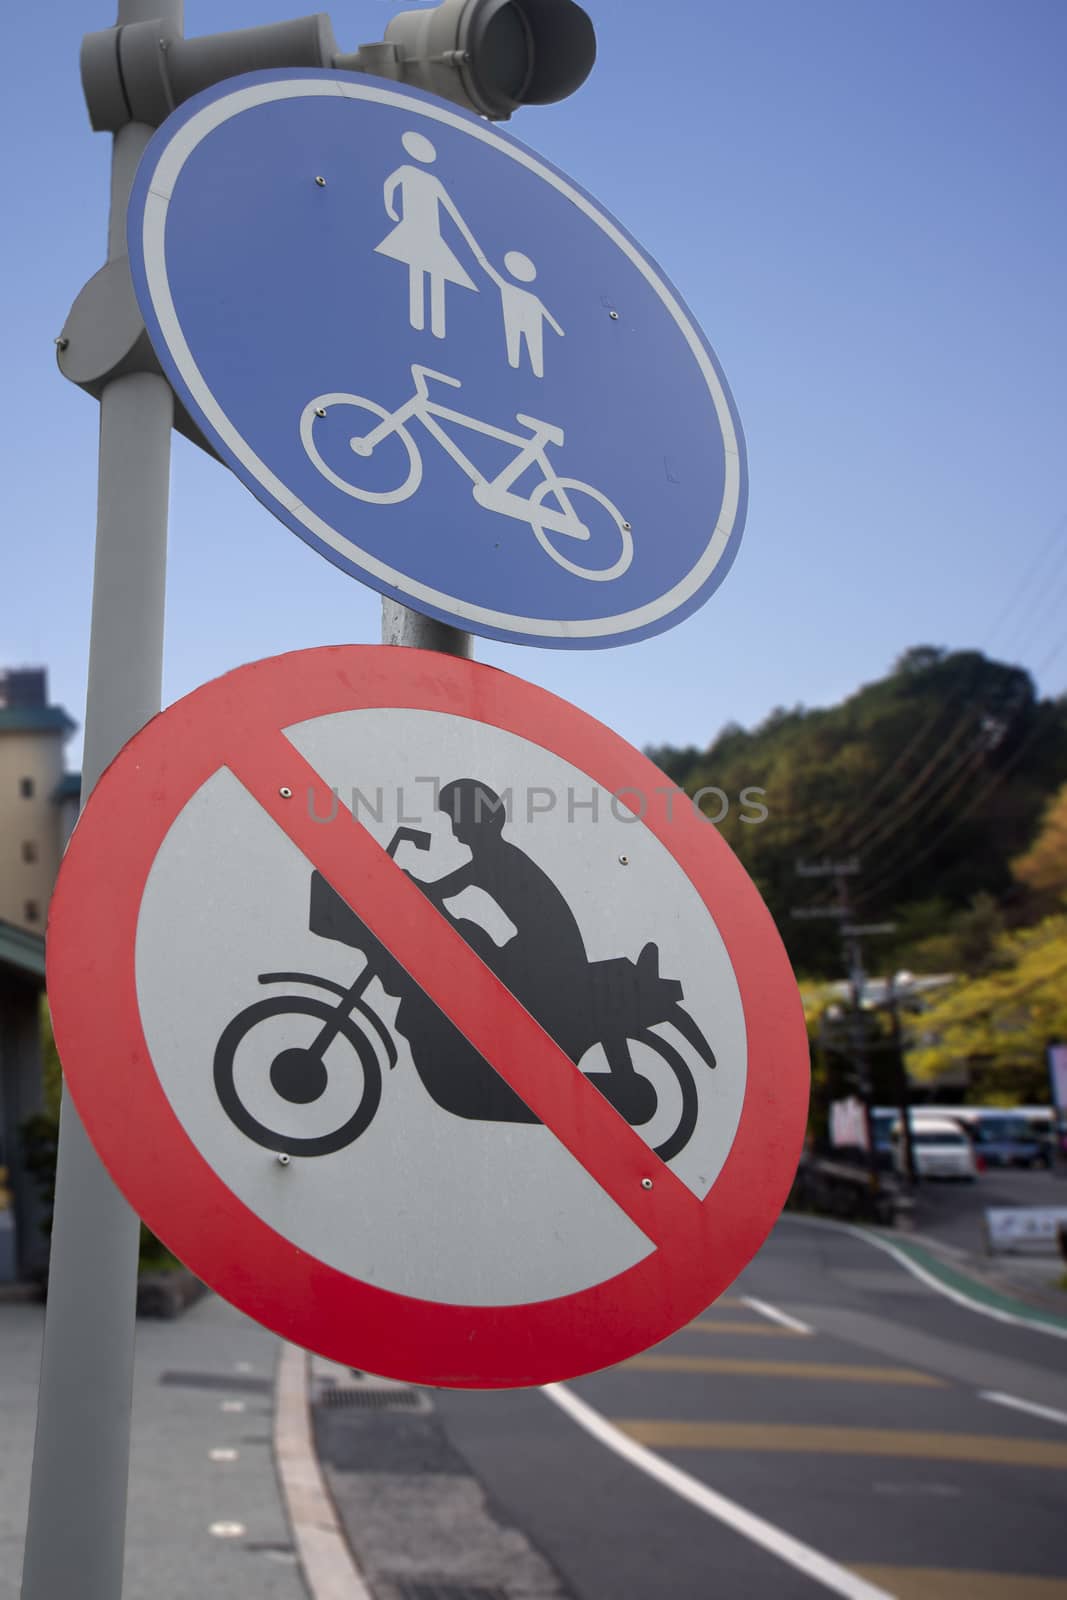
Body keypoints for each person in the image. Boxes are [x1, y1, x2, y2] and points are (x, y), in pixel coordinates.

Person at [375, 131, 480, 339]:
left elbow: (451, 211)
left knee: (436, 276)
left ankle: (437, 328)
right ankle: (416, 321)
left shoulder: (433, 181)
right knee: (416, 271)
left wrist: (471, 243)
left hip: (432, 233)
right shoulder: (406, 171)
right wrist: (391, 210)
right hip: (413, 227)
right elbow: (389, 186)